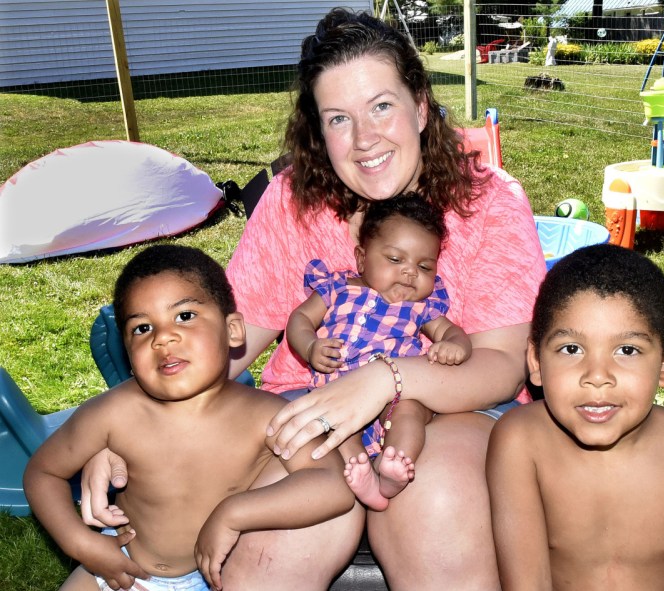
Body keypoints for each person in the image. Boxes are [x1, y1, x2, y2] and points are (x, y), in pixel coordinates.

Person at [79, 8, 547, 590]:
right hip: (309, 416)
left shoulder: (488, 203)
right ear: (318, 131)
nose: (365, 139)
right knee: (280, 537)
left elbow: (501, 366)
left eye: (382, 106)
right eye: (338, 119)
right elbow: (215, 346)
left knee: (437, 496)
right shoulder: (292, 202)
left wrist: (384, 380)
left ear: (421, 106)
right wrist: (122, 436)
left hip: (452, 411)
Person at [23, 245, 353, 591]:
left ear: (233, 331)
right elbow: (43, 472)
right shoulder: (114, 413)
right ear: (128, 352)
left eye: (184, 316)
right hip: (119, 567)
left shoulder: (265, 415)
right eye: (142, 328)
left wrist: (234, 513)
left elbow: (330, 484)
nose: (163, 337)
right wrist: (82, 544)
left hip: (214, 577)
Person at [486, 243, 664, 590]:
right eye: (571, 349)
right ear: (535, 360)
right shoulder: (520, 442)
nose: (597, 375)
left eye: (627, 350)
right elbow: (527, 584)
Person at [286, 193, 472, 511]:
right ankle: (363, 476)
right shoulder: (337, 288)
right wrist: (311, 346)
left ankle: (395, 466)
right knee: (338, 431)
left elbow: (452, 332)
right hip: (337, 390)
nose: (410, 272)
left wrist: (454, 346)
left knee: (410, 412)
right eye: (395, 260)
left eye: (424, 266)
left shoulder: (420, 307)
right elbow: (300, 319)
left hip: (393, 394)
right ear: (361, 258)